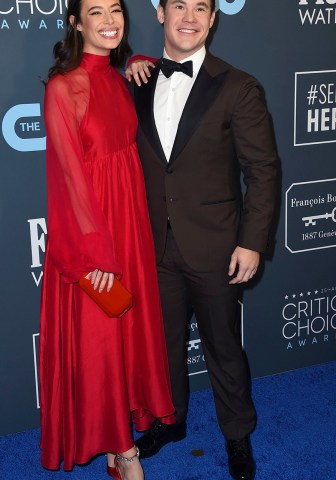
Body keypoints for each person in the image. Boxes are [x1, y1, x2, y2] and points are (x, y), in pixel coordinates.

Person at [126, 1, 277, 479]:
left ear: (213, 19)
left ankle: (237, 435)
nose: (188, 16)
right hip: (155, 246)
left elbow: (263, 171)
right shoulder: (139, 83)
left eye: (200, 8)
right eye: (178, 6)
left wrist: (251, 242)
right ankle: (170, 422)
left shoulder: (238, 86)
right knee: (164, 346)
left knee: (224, 348)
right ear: (159, 14)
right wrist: (132, 63)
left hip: (216, 247)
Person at [39, 1, 175, 479]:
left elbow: (167, 81)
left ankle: (121, 450)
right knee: (100, 341)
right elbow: (68, 177)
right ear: (76, 23)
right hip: (92, 234)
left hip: (130, 224)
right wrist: (94, 251)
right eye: (95, 12)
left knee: (127, 336)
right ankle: (125, 451)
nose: (110, 20)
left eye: (115, 9)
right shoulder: (62, 88)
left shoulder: (120, 78)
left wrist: (140, 63)